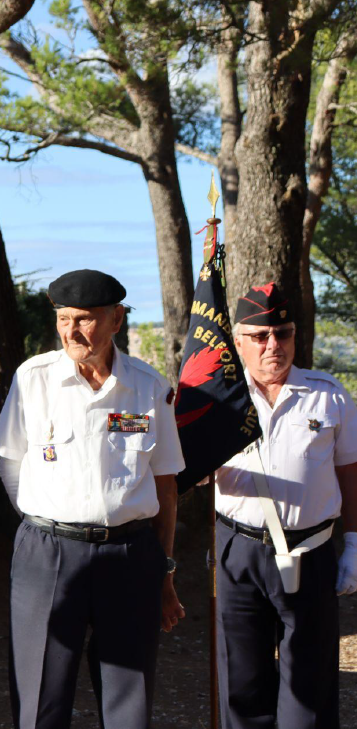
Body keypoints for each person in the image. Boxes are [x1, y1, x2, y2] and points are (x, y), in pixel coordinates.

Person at [0, 268, 185, 729]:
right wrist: (47, 516)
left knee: (129, 698)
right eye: (63, 319)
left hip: (130, 554)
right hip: (49, 553)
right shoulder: (33, 379)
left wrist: (165, 569)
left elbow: (166, 485)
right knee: (40, 698)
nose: (72, 331)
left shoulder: (148, 387)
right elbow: (9, 462)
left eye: (85, 319)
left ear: (116, 319)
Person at [213, 282, 357, 729]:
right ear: (238, 342)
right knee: (242, 681)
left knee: (309, 685)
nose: (273, 345)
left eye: (284, 334)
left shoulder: (328, 395)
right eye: (259, 337)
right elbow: (185, 474)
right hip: (237, 550)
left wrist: (353, 543)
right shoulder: (217, 400)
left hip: (310, 550)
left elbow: (351, 474)